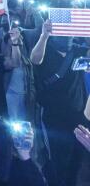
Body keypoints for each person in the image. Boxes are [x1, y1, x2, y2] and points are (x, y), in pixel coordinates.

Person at [30, 19, 85, 185]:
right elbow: (34, 59)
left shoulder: (78, 50)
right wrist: (44, 36)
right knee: (58, 156)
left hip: (77, 113)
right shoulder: (46, 48)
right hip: (53, 115)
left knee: (78, 156)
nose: (66, 35)